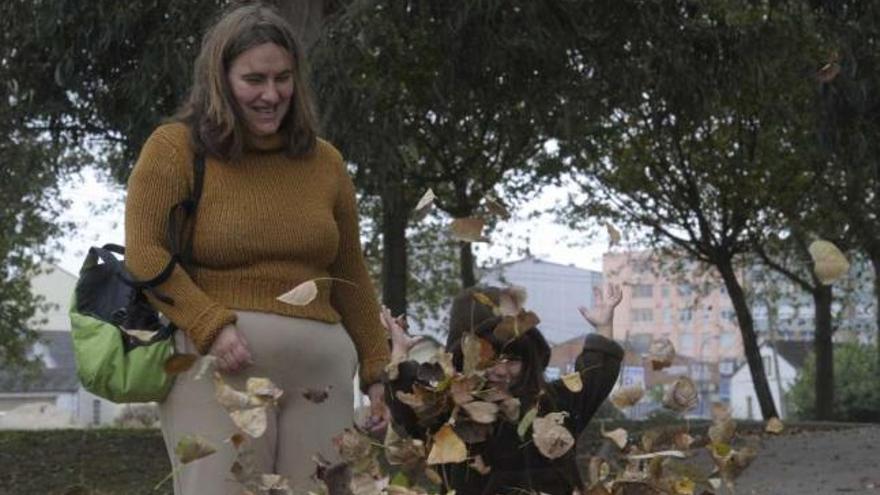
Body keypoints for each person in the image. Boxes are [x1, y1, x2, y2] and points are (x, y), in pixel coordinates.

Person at [124, 4, 389, 494]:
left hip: (323, 376)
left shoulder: (325, 162)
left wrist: (377, 371)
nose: (272, 94)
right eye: (254, 80)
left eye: (283, 78)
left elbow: (351, 272)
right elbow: (144, 252)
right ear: (220, 79)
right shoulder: (175, 148)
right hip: (222, 371)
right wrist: (209, 325)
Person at [382, 285, 624, 495]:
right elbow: (409, 404)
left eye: (513, 358)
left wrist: (604, 327)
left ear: (529, 358)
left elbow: (593, 378)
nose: (502, 370)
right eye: (489, 359)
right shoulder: (448, 412)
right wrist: (399, 354)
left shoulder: (551, 403)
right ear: (462, 359)